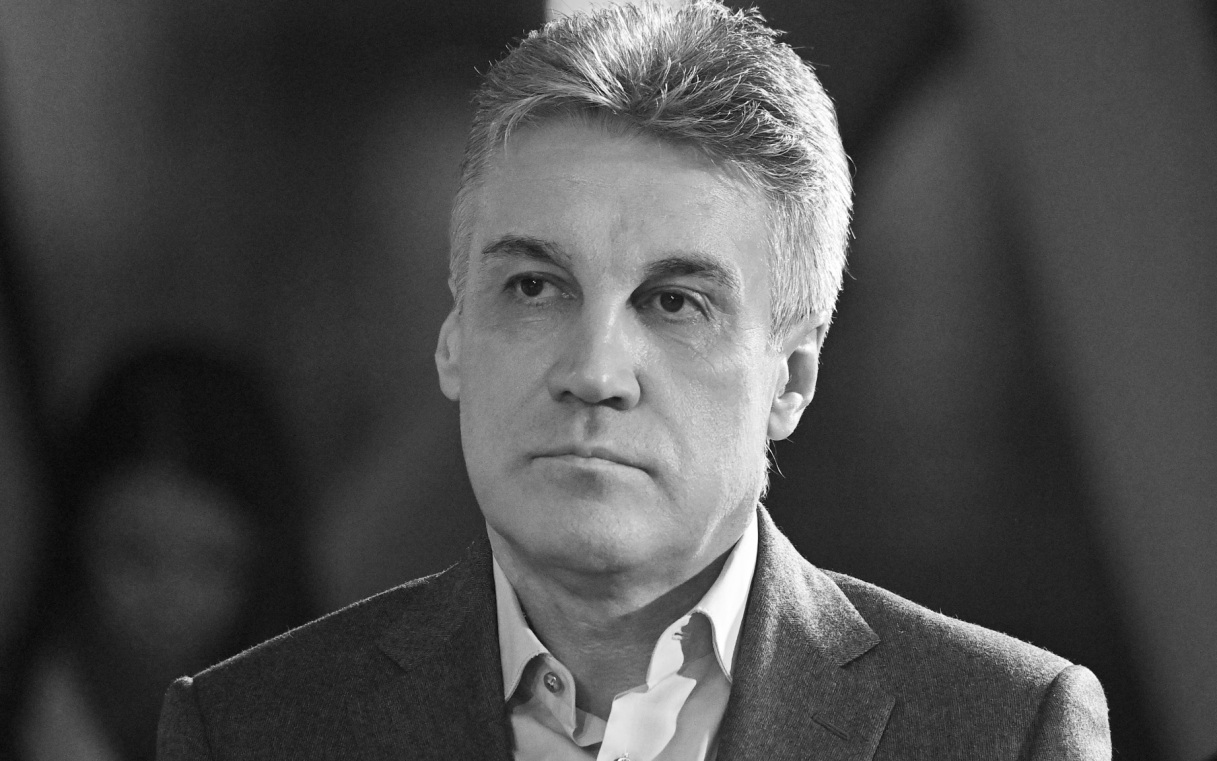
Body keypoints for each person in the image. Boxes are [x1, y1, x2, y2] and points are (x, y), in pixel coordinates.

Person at [157, 2, 1111, 759]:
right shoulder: (245, 730)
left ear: (791, 379)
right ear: (452, 341)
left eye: (673, 302)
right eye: (534, 287)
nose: (593, 372)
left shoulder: (1003, 731)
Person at [6, 343, 314, 761]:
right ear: (73, 546)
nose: (171, 599)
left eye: (213, 561)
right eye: (133, 555)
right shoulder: (29, 714)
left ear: (266, 561)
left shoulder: (338, 720)